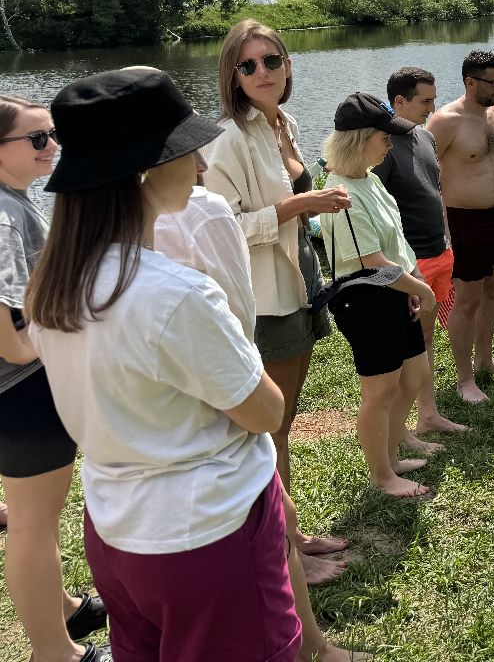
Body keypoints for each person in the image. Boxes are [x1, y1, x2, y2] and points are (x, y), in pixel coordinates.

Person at [28, 68, 299, 662]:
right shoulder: (174, 295)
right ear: (147, 171)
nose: (201, 166)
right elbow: (264, 411)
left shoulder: (51, 287)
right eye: (187, 151)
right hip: (206, 536)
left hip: (115, 530)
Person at [154, 156, 368, 662]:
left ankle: (300, 570)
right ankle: (311, 639)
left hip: (124, 513)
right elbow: (235, 308)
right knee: (269, 474)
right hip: (216, 427)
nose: (203, 162)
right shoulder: (202, 215)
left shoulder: (72, 271)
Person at [204, 19, 354, 583]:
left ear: (288, 65)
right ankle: (280, 554)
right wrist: (298, 207)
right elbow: (222, 228)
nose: (263, 71)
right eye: (249, 65)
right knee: (270, 428)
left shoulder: (282, 124)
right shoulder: (228, 139)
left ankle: (288, 533)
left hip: (299, 283)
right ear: (233, 76)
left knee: (283, 423)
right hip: (264, 298)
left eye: (272, 60)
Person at [0, 94, 109, 662]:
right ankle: (53, 650)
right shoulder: (1, 215)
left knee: (37, 515)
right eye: (37, 139)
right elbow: (10, 339)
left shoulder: (14, 202)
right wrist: (46, 346)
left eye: (52, 135)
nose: (52, 147)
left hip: (23, 390)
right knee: (33, 524)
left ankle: (63, 606)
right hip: (20, 392)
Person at [315, 94, 438, 500]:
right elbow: (370, 262)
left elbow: (396, 245)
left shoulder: (369, 180)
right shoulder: (342, 194)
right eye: (384, 137)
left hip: (394, 290)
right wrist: (419, 287)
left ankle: (392, 454)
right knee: (380, 390)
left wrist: (413, 280)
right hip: (367, 299)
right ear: (361, 139)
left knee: (415, 376)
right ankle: (383, 476)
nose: (390, 143)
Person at [374, 67, 466, 435]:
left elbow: (436, 192)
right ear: (399, 101)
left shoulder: (425, 138)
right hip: (409, 263)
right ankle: (398, 431)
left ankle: (427, 415)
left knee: (425, 340)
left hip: (438, 252)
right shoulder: (380, 147)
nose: (433, 107)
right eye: (425, 100)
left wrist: (447, 238)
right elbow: (372, 209)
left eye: (433, 98)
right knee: (405, 349)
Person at [427, 50, 494, 403]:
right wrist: (443, 228)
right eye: (492, 82)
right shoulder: (445, 121)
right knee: (466, 300)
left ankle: (485, 361)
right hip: (462, 220)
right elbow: (426, 176)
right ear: (470, 81)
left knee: (491, 290)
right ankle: (464, 380)